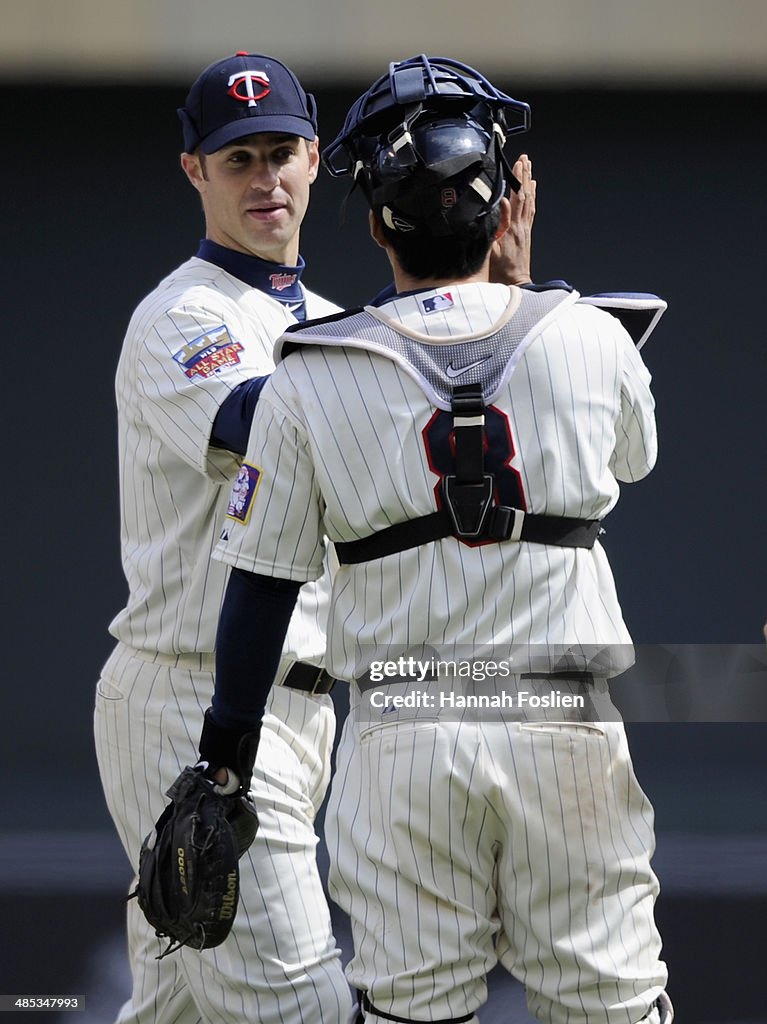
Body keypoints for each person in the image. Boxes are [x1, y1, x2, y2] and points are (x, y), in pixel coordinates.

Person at [198, 54, 674, 1024]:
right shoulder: (588, 334)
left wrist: (222, 763)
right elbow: (631, 458)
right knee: (612, 1008)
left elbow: (260, 590)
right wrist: (524, 284)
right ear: (501, 207)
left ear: (374, 222)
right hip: (561, 721)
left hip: (404, 731)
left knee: (413, 1009)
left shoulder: (309, 372)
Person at [93, 51, 355, 1024]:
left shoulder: (335, 325)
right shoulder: (180, 315)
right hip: (191, 699)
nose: (263, 178)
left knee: (177, 1008)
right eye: (236, 158)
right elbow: (261, 421)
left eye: (279, 151)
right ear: (193, 170)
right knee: (303, 1008)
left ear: (315, 158)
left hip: (295, 707)